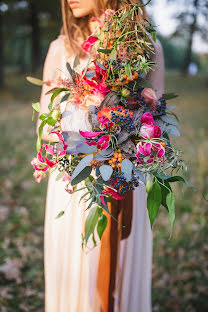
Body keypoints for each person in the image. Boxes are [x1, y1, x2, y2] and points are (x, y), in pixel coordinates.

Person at [39, 0, 165, 311]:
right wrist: (85, 118)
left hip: (126, 176)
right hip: (76, 178)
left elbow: (155, 120)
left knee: (119, 268)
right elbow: (45, 124)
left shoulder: (147, 47)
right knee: (76, 263)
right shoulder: (61, 48)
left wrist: (122, 134)